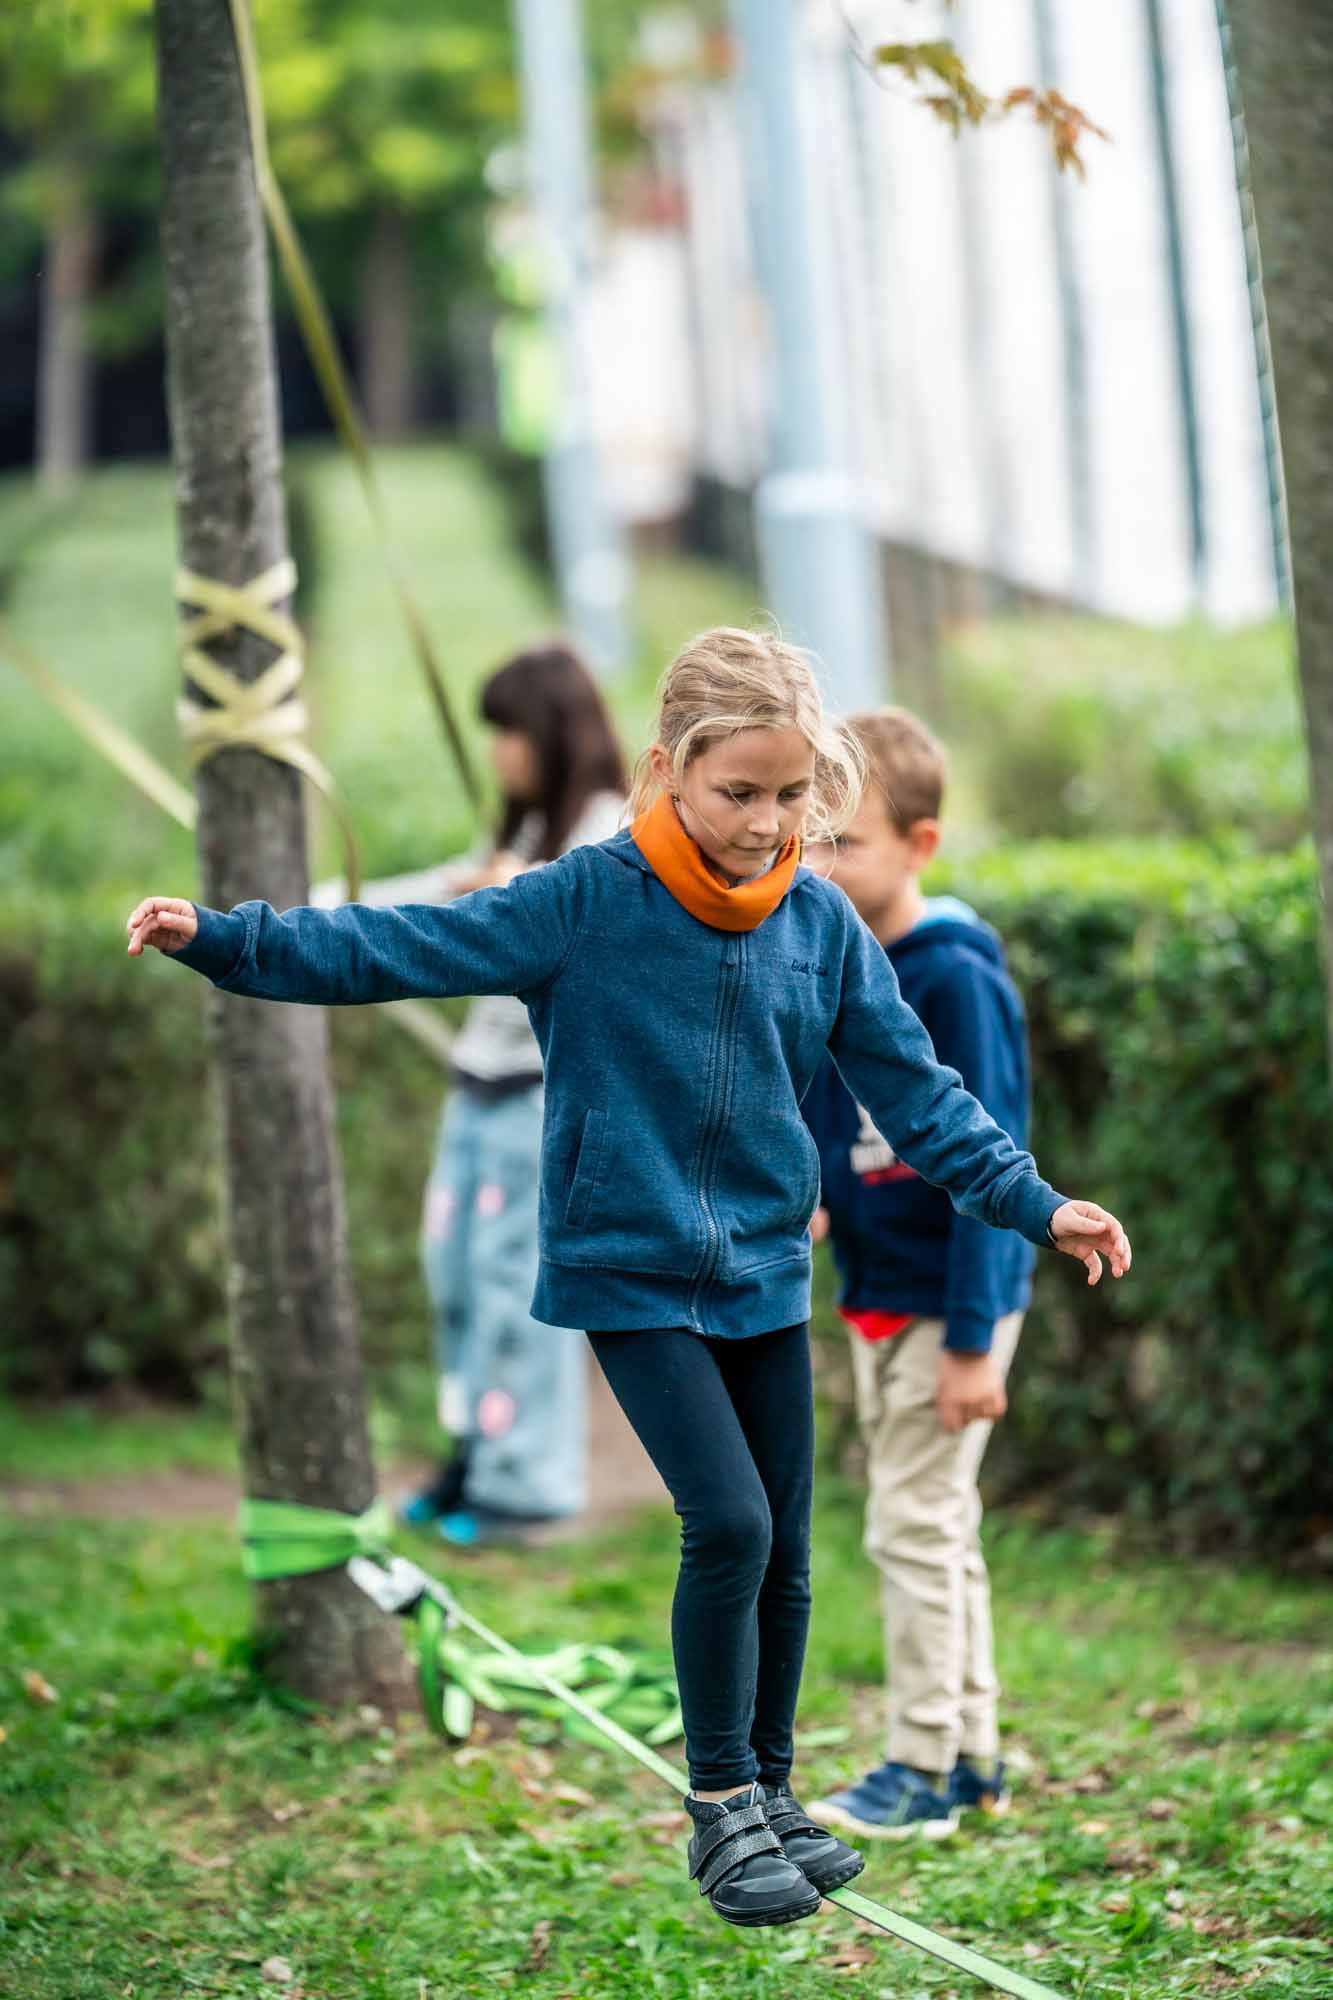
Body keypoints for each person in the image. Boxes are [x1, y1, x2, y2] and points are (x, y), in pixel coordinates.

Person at [125, 626, 1131, 1931]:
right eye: (739, 791)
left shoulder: (820, 924)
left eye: (792, 795)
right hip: (629, 1269)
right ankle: (720, 1805)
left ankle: (773, 1792)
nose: (767, 823)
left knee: (786, 1551)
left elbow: (924, 1099)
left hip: (763, 1270)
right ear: (667, 769)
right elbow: (394, 946)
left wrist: (1037, 1203)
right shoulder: (585, 901)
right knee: (732, 1523)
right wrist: (223, 938)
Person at [318, 643, 626, 1546]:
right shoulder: (528, 830)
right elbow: (446, 898)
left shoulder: (606, 831)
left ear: (553, 732)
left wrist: (510, 894)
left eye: (510, 731)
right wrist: (324, 909)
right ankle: (473, 1459)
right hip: (478, 1089)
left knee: (515, 1292)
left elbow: (590, 933)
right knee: (453, 1277)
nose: (499, 751)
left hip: (543, 1098)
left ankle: (526, 1489)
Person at [800, 708, 1037, 1840]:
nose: (818, 860)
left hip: (949, 1308)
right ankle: (973, 1759)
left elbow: (996, 1162)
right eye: (809, 837)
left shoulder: (952, 981)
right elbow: (824, 1119)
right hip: (880, 1295)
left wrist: (972, 1340)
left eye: (844, 841)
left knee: (909, 1528)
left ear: (920, 845)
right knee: (936, 1525)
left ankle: (920, 1766)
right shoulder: (843, 964)